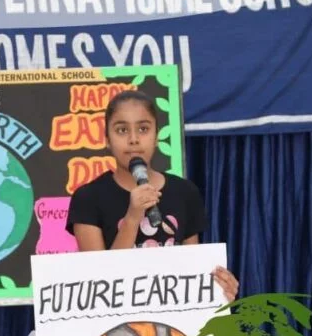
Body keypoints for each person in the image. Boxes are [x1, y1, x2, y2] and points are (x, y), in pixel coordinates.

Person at [65, 89, 240, 302]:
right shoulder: (87, 198)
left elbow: (192, 271)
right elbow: (97, 284)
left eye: (143, 129)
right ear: (107, 139)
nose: (133, 139)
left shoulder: (184, 192)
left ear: (156, 136)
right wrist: (132, 218)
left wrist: (219, 291)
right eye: (121, 130)